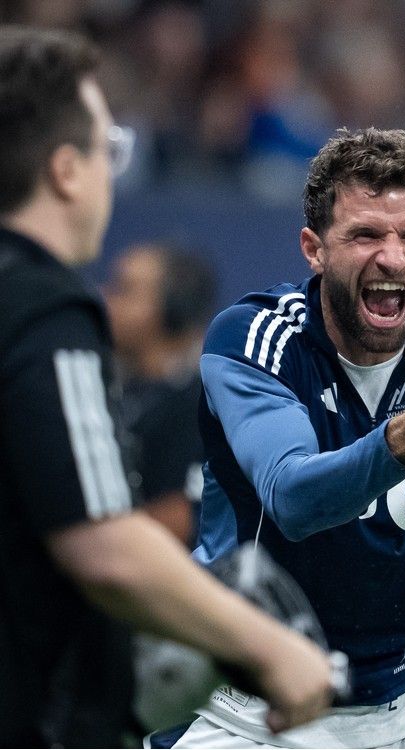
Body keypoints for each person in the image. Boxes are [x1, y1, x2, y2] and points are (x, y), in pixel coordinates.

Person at [150, 127, 405, 749]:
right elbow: (293, 500)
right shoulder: (255, 338)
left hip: (389, 709)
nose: (393, 258)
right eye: (366, 235)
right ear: (314, 249)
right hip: (245, 703)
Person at [0, 25, 334, 747]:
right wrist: (267, 645)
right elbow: (102, 545)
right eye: (105, 151)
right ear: (65, 170)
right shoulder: (45, 308)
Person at [104, 242, 217, 546]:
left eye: (123, 289)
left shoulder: (201, 402)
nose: (104, 299)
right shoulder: (120, 391)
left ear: (173, 309)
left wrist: (83, 532)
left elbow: (181, 518)